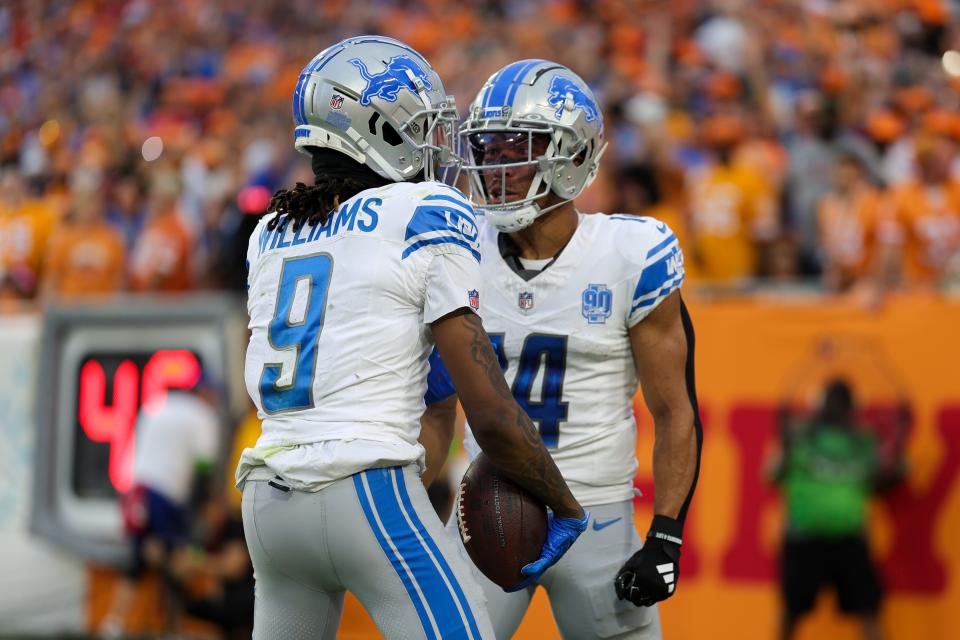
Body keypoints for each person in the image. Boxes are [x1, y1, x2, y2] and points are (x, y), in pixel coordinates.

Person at [237, 37, 588, 640]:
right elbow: (492, 413)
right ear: (375, 127)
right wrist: (563, 504)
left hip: (267, 508)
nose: (433, 141)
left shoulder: (270, 231)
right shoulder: (424, 209)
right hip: (366, 491)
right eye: (420, 124)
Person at [428, 60, 703, 639]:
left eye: (515, 149)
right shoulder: (457, 246)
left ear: (572, 156)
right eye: (488, 149)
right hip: (485, 506)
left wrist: (667, 535)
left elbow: (675, 410)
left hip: (598, 512)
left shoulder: (631, 252)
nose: (496, 168)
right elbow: (433, 399)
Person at [771, 379, 904, 640]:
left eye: (842, 403)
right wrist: (785, 446)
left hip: (850, 539)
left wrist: (897, 447)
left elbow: (883, 483)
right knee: (792, 612)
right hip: (804, 537)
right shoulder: (799, 436)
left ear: (851, 408)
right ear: (819, 404)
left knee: (869, 609)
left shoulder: (864, 442)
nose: (835, 408)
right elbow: (772, 474)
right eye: (832, 401)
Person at [100, 382, 221, 637]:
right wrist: (201, 507)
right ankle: (174, 627)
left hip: (137, 490)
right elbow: (203, 470)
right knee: (177, 559)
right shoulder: (202, 415)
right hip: (168, 495)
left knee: (137, 561)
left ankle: (115, 624)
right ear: (205, 394)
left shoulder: (156, 407)